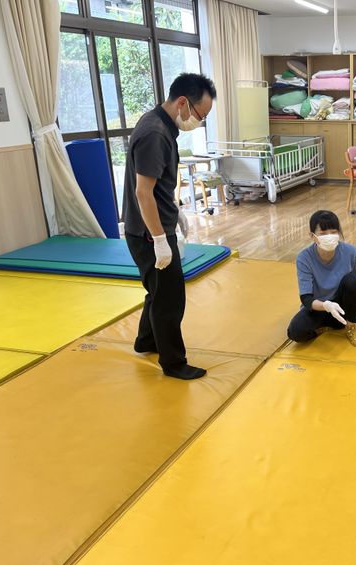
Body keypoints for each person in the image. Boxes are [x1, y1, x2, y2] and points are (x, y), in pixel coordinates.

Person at [122, 73, 216, 380]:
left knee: (158, 291)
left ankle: (146, 340)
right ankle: (174, 363)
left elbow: (157, 185)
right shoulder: (155, 133)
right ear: (182, 102)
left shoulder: (160, 125)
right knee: (170, 298)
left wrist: (175, 212)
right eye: (200, 114)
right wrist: (160, 239)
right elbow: (143, 192)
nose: (199, 121)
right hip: (150, 233)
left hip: (152, 226)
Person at [287, 210, 356, 347]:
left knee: (353, 282)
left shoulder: (350, 251)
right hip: (320, 307)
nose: (329, 236)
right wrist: (325, 306)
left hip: (342, 307)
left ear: (339, 233)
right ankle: (323, 328)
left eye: (333, 232)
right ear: (312, 236)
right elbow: (306, 298)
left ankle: (350, 327)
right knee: (295, 332)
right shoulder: (304, 258)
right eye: (323, 233)